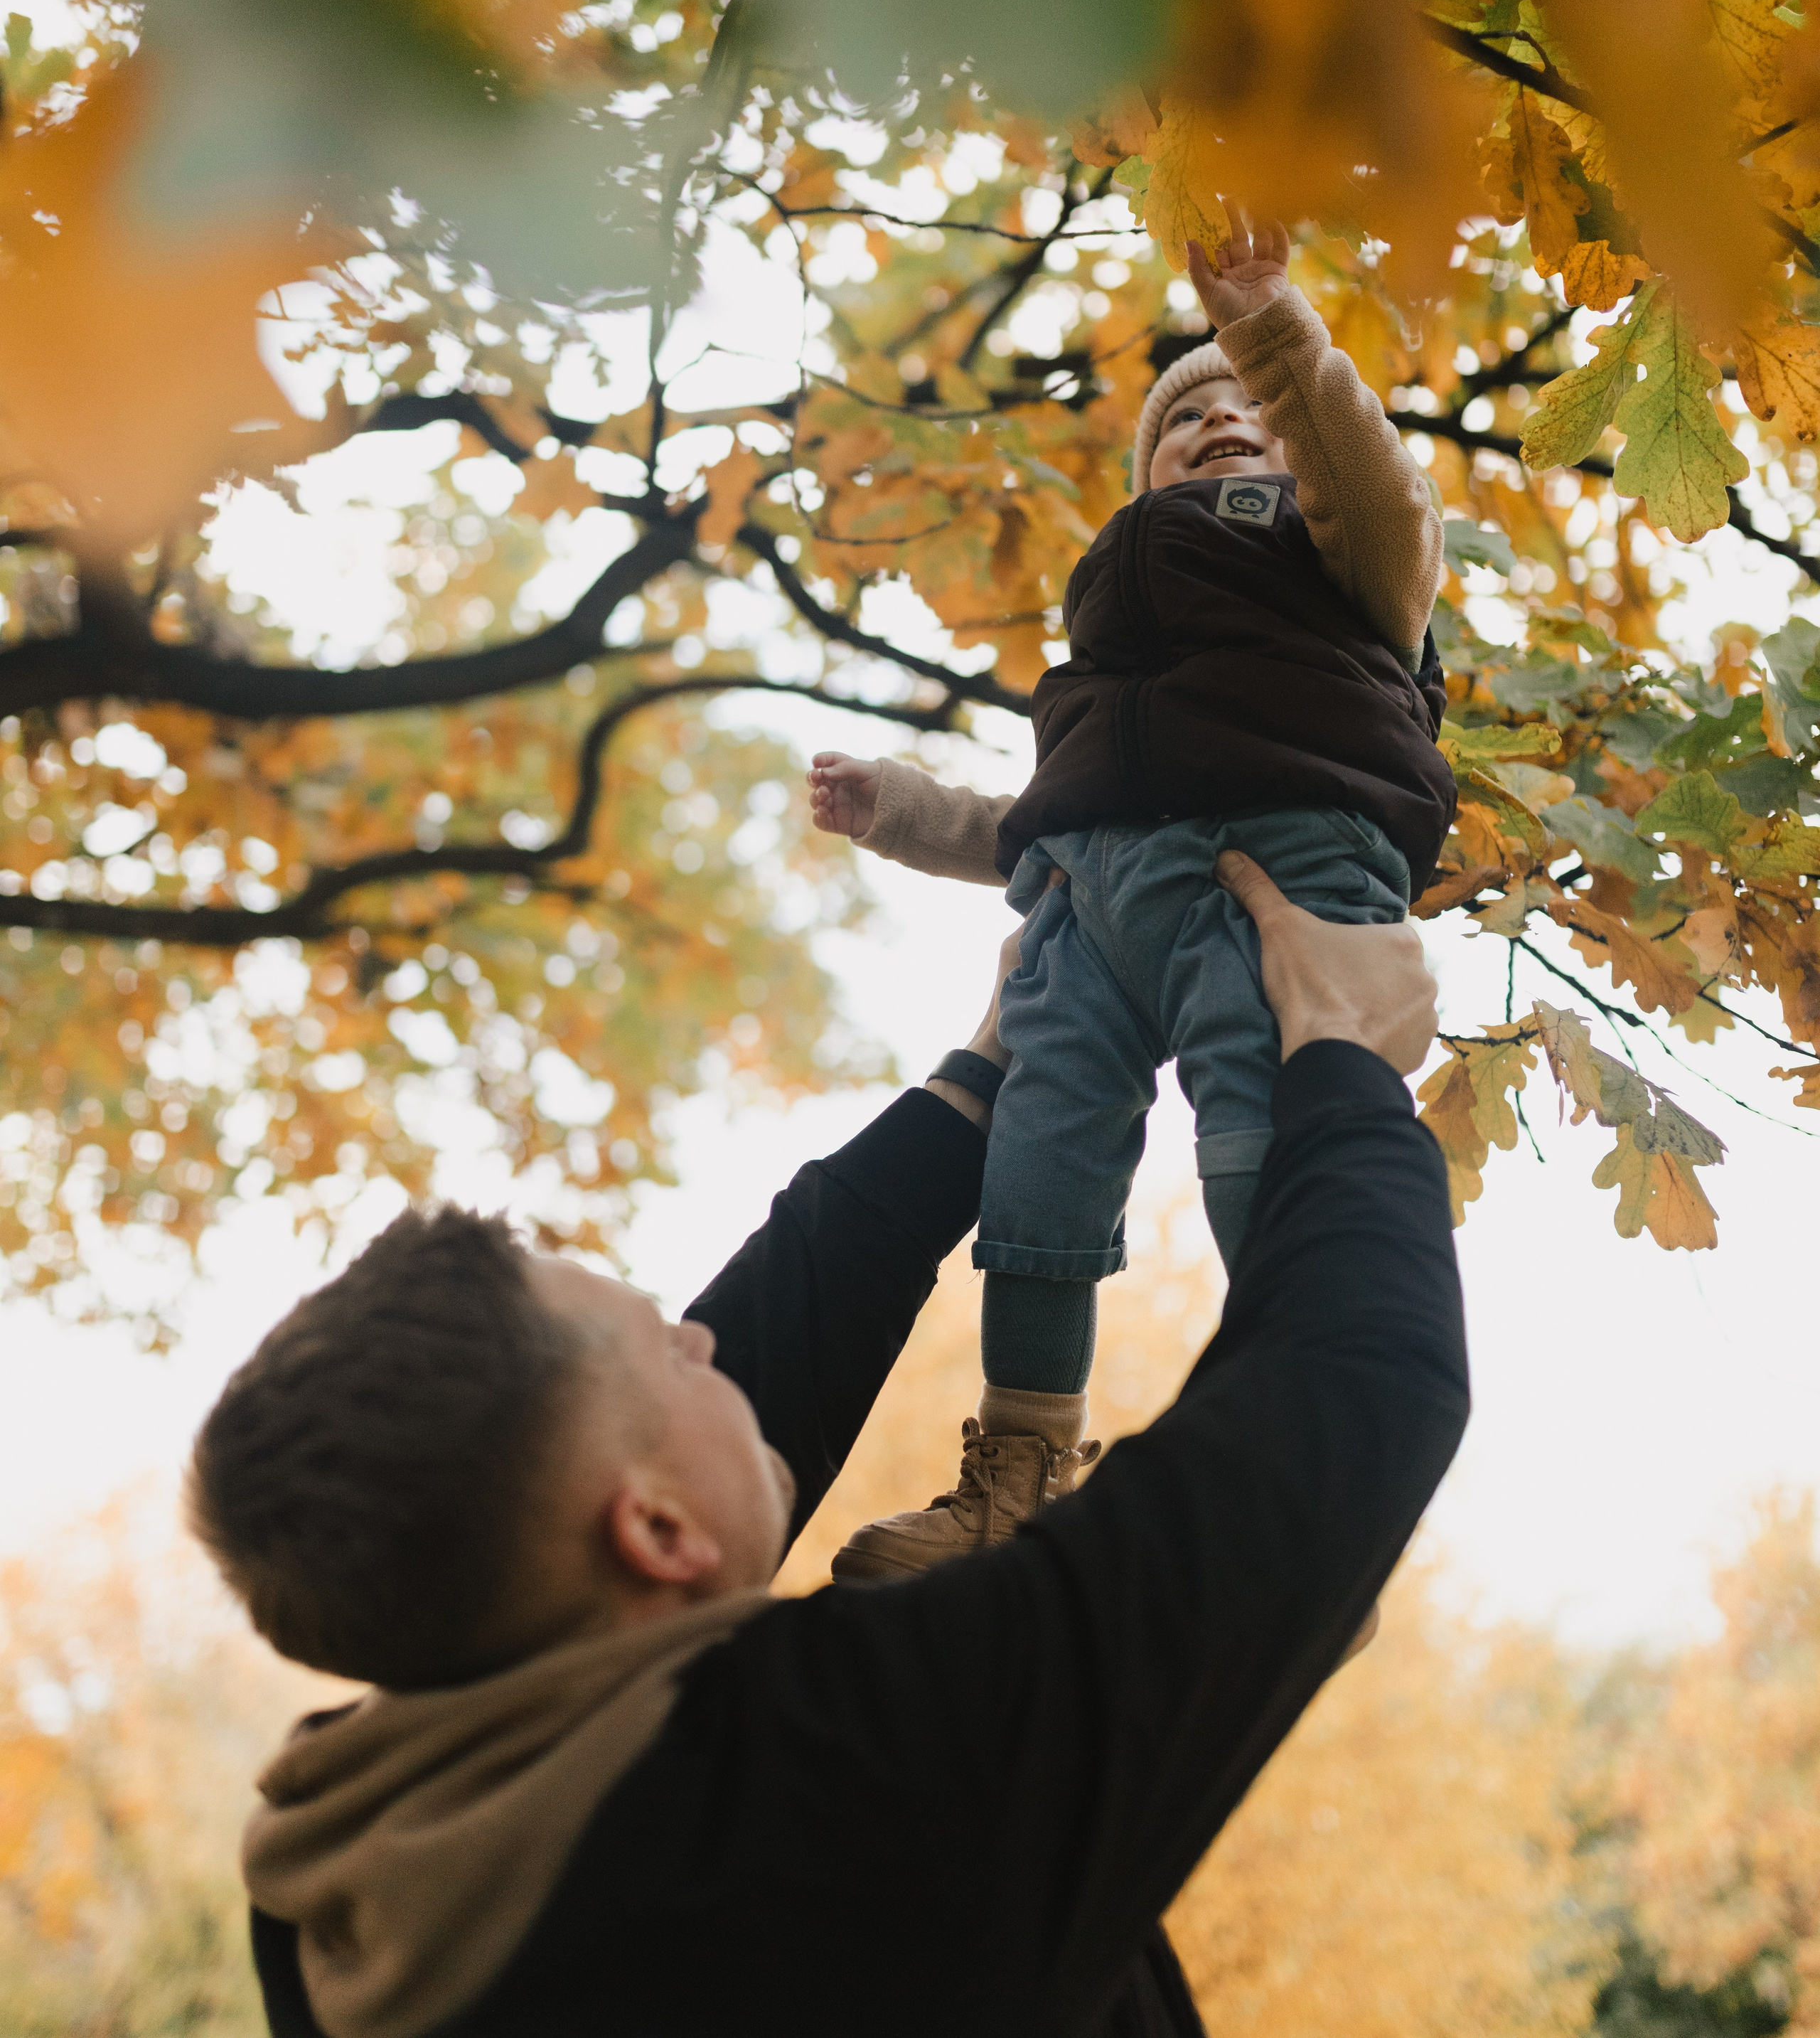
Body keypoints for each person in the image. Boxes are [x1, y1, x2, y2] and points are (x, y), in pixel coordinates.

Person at [193, 856, 1465, 2038]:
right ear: (657, 1533)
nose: (704, 1344)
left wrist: (982, 1078)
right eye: (668, 1348)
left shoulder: (339, 1881)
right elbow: (1343, 1408)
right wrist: (1346, 1070)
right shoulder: (859, 1785)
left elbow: (741, 1368)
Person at [808, 210, 1455, 1578]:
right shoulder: (1113, 621)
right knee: (1036, 1158)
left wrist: (1269, 333)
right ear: (1142, 479)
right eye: (1184, 424)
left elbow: (1371, 488)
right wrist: (906, 809)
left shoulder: (1349, 557)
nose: (1222, 421)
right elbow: (1044, 816)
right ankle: (1021, 1469)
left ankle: (1301, 1466)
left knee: (1264, 1136)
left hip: (1276, 871)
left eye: (1250, 413)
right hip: (1098, 901)